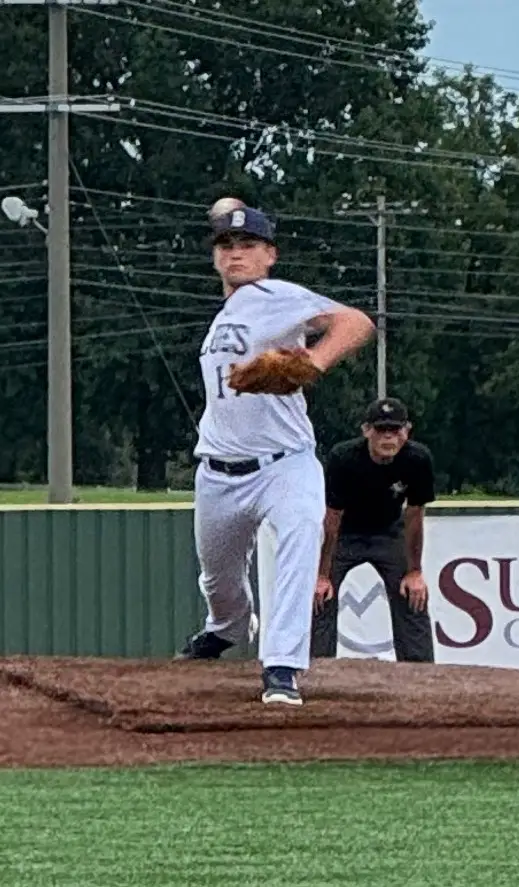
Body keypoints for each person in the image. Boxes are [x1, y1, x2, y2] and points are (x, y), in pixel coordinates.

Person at [175, 203, 375, 706]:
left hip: (285, 463)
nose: (236, 253)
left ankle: (282, 666)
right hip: (218, 470)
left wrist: (315, 360)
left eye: (248, 245)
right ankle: (227, 627)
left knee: (299, 544)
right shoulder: (224, 316)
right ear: (215, 258)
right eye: (226, 246)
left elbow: (356, 322)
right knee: (218, 579)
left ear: (270, 256)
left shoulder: (275, 295)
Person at [309, 397, 436, 662]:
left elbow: (414, 515)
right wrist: (322, 574)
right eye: (381, 429)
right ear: (366, 430)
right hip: (344, 534)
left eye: (395, 429)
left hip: (388, 532)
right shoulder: (343, 458)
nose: (388, 437)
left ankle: (420, 671)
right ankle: (316, 666)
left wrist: (414, 571)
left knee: (412, 591)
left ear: (406, 431)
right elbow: (332, 517)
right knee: (319, 594)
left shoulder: (417, 459)